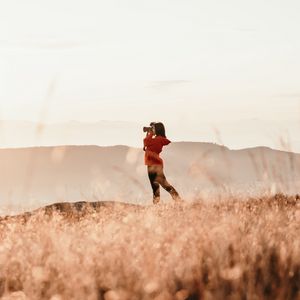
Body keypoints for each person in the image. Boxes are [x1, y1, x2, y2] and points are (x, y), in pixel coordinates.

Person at [143, 122, 182, 204]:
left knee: (162, 185)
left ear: (157, 129)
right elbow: (146, 144)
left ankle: (178, 200)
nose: (152, 130)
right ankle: (175, 200)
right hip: (152, 164)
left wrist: (150, 133)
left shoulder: (159, 139)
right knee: (156, 186)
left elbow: (146, 141)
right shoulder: (157, 139)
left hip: (154, 165)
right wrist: (150, 132)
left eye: (153, 128)